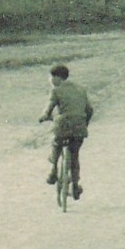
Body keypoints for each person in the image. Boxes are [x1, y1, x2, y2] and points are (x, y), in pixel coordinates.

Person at [40, 64, 92, 199]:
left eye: (51, 77)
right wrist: (84, 123)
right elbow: (89, 110)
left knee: (56, 143)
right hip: (79, 127)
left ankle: (53, 171)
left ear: (57, 77)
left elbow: (49, 109)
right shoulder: (81, 89)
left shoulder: (56, 91)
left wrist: (44, 116)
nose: (50, 80)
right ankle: (75, 186)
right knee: (75, 156)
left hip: (63, 125)